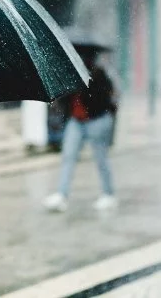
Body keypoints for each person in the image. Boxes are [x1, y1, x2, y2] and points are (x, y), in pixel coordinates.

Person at [42, 48, 118, 212]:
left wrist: (84, 82)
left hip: (96, 121)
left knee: (101, 158)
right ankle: (62, 195)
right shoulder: (69, 74)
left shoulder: (98, 75)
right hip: (76, 121)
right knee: (68, 156)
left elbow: (105, 100)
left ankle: (108, 194)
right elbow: (65, 100)